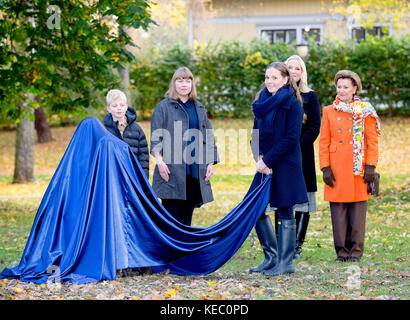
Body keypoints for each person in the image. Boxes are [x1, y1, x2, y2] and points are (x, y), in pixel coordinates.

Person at [248, 62, 308, 276]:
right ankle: (271, 257)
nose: (269, 81)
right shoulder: (262, 102)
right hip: (265, 164)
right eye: (267, 77)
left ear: (285, 79)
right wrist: (260, 158)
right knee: (254, 208)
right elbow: (255, 134)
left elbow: (292, 138)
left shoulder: (292, 103)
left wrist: (269, 161)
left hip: (285, 164)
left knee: (284, 209)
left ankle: (285, 263)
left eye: (274, 78)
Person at [319, 70, 380, 263]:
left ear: (355, 88)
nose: (342, 90)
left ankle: (355, 251)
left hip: (358, 168)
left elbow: (372, 141)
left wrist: (370, 165)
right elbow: (323, 142)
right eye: (339, 87)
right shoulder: (328, 111)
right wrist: (325, 167)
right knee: (338, 212)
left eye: (346, 87)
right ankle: (342, 252)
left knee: (357, 211)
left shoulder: (365, 111)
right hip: (336, 167)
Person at [150, 67, 219, 226]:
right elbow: (156, 137)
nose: (184, 84)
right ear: (174, 83)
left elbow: (208, 135)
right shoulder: (163, 107)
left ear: (192, 84)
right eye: (179, 80)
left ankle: (185, 250)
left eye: (187, 81)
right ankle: (169, 250)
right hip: (171, 169)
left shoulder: (199, 107)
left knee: (186, 219)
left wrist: (210, 162)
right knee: (170, 218)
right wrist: (159, 162)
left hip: (194, 170)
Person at [284, 55, 321, 259]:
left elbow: (315, 127)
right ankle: (283, 244)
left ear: (302, 71)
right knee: (282, 198)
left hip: (302, 154)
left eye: (297, 68)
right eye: (289, 67)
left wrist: (296, 147)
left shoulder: (310, 96)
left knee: (303, 199)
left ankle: (297, 246)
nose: (293, 71)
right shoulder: (278, 93)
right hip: (281, 156)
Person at [104, 89, 149, 179]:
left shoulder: (136, 129)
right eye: (115, 106)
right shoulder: (104, 131)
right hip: (113, 177)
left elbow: (143, 155)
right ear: (108, 108)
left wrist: (143, 177)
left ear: (126, 106)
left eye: (122, 105)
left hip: (133, 175)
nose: (119, 108)